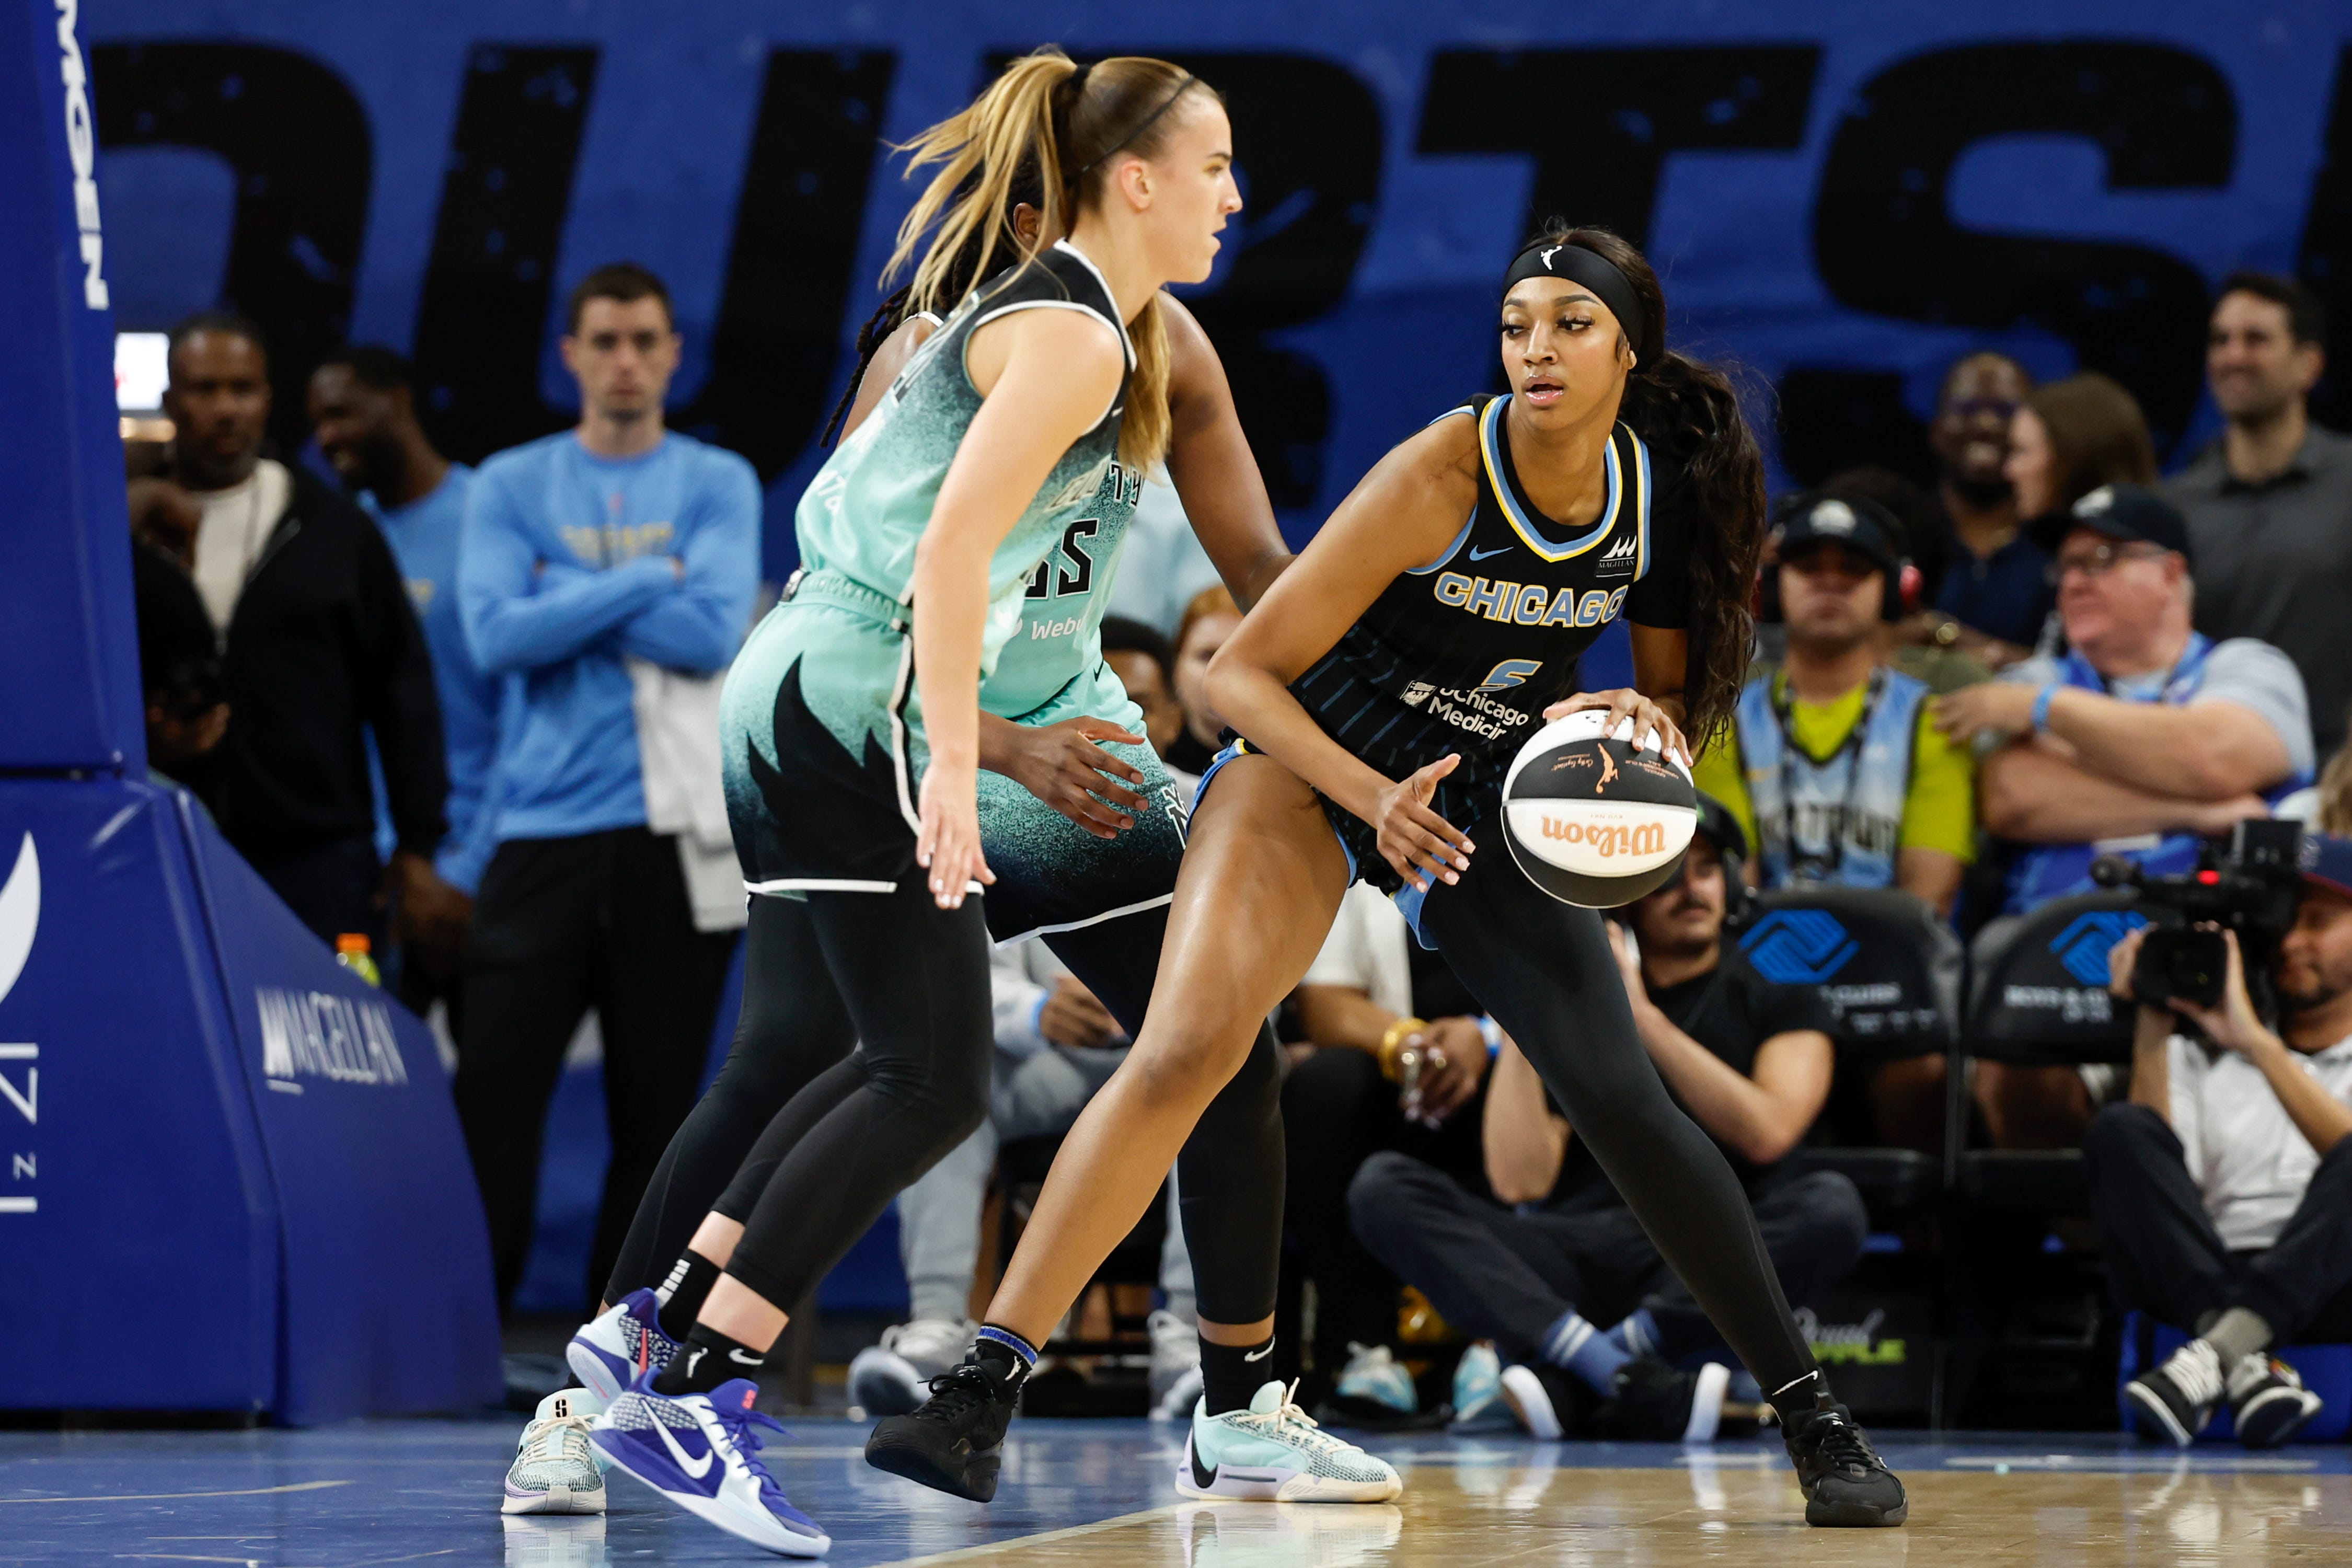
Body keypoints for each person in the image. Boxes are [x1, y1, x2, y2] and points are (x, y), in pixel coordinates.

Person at [878, 225, 1909, 1527]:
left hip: (1475, 789)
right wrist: (1370, 796)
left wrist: (1644, 729)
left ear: (1626, 350)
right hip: (1316, 757)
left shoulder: (1653, 497)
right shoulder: (1445, 463)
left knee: (1619, 1095)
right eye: (1514, 323)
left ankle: (1808, 1415)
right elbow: (1235, 671)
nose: (1532, 348)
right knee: (1189, 1046)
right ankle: (978, 1389)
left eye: (1566, 325)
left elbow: (1661, 692)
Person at [574, 54, 1266, 1553]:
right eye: (1214, 166)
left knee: (901, 1058)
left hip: (818, 683)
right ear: (1131, 180)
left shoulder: (1096, 330)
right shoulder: (1072, 335)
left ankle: (662, 1332)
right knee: (917, 1074)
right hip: (855, 694)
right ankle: (686, 1385)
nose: (1235, 194)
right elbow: (949, 556)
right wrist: (960, 763)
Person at [1349, 795, 1863, 1440]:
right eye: (1670, 873)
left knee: (1832, 1206)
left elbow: (1768, 1133)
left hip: (1700, 1256)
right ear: (1627, 895)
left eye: (1707, 870)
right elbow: (1520, 1182)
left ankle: (1589, 1369)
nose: (1691, 888)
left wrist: (1643, 1020)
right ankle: (1625, 1376)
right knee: (1383, 1190)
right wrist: (1525, 1012)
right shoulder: (1578, 1006)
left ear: (1732, 883)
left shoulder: (1780, 995)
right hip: (1575, 1249)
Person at [452, 262, 758, 1313]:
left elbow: (714, 632)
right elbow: (494, 636)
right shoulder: (509, 481)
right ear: (570, 354)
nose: (624, 361)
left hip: (672, 841)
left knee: (660, 1113)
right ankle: (468, 1330)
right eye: (605, 341)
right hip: (538, 831)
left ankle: (620, 1340)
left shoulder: (718, 481)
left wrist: (563, 593)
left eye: (643, 340)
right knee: (492, 1095)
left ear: (674, 354)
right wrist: (654, 576)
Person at [1933, 485, 2315, 1147]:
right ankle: (2091, 1246)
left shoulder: (2247, 666)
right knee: (2006, 1068)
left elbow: (2217, 754)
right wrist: (2202, 811)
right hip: (2053, 973)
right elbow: (2016, 797)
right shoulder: (2033, 678)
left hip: (2221, 975)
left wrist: (2051, 715)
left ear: (2171, 573)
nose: (2075, 580)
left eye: (2102, 559)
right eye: (2068, 566)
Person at [131, 312, 451, 950]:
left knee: (327, 1046)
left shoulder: (333, 531)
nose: (226, 409)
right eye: (205, 390)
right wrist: (145, 739)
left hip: (319, 860)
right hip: (162, 848)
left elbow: (403, 690)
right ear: (171, 401)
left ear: (268, 399)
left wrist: (417, 847)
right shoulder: (120, 536)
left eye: (242, 389)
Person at [2093, 835, 2352, 1449]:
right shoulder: (2197, 1055)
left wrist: (2258, 1045)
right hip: (2206, 1273)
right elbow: (2161, 1186)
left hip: (2337, 1282)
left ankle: (2211, 1358)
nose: (2292, 941)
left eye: (2318, 923)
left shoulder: (2244, 1045)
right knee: (2121, 1131)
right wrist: (2153, 1026)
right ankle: (2242, 1358)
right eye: (2285, 922)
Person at [308, 345, 492, 1014]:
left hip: (480, 868)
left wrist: (465, 870)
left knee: (490, 1109)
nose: (327, 437)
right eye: (317, 422)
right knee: (363, 1106)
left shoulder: (487, 517)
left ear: (398, 403)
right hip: (375, 879)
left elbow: (528, 714)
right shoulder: (335, 539)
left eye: (342, 414)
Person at [1697, 493, 1976, 919]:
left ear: (1893, 592)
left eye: (1854, 569)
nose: (1830, 582)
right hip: (1759, 963)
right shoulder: (1725, 725)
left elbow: (1927, 905)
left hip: (1895, 969)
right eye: (1808, 567)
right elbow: (1733, 899)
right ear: (1767, 588)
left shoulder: (1931, 721)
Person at [1282, 883, 1493, 1414]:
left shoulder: (1531, 836)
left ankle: (1505, 1345)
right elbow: (1324, 1001)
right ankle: (1365, 1348)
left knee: (1551, 1085)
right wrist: (1409, 1046)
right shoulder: (1360, 847)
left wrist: (1487, 1039)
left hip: (1516, 1076)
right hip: (1403, 1085)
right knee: (1322, 1085)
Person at [2166, 273, 2352, 760]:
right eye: (2221, 340)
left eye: (2257, 339)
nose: (2233, 357)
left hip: (2338, 787)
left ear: (2308, 365)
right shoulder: (2175, 505)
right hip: (2212, 782)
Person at [1919, 351, 2043, 665]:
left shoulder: (2061, 545)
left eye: (2006, 410)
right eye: (1967, 408)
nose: (1986, 424)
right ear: (1937, 431)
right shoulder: (1901, 534)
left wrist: (1946, 636)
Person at [2004, 374, 2159, 536]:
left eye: (2021, 451)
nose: (2009, 470)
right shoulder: (2037, 551)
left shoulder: (2151, 556)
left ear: (2073, 458)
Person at [1165, 584, 1242, 774]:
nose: (1220, 672)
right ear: (1176, 666)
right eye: (1207, 656)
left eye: (1241, 656)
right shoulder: (1146, 755)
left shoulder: (1297, 767)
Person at [1100, 615, 1186, 765]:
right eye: (1100, 710)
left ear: (1174, 722)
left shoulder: (1208, 789)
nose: (1118, 727)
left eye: (1139, 709)